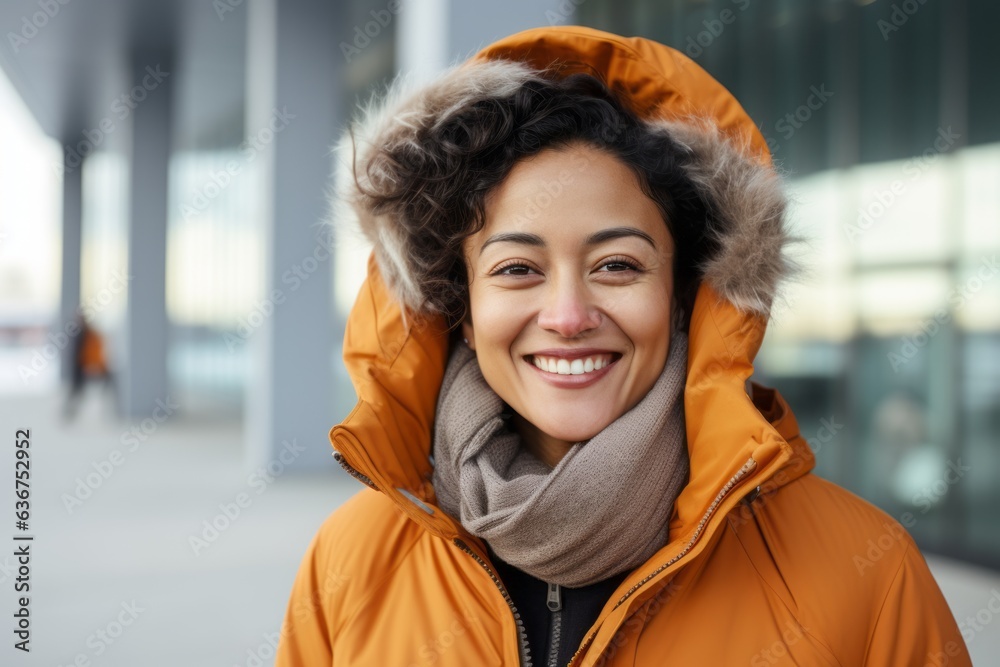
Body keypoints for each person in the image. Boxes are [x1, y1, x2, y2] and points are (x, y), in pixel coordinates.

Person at [276, 26, 971, 666]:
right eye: (517, 269)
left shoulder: (863, 573)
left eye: (618, 265)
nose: (570, 315)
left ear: (682, 294)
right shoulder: (351, 562)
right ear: (461, 305)